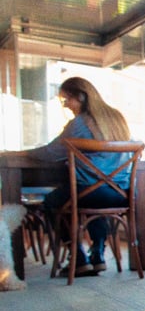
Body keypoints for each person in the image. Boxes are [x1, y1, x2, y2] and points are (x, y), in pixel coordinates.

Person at [24, 77, 133, 276]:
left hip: (89, 193)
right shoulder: (117, 118)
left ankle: (78, 257)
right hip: (120, 194)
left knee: (53, 201)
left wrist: (23, 153)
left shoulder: (79, 123)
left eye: (67, 100)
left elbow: (51, 153)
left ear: (81, 97)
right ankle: (98, 254)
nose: (66, 106)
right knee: (92, 195)